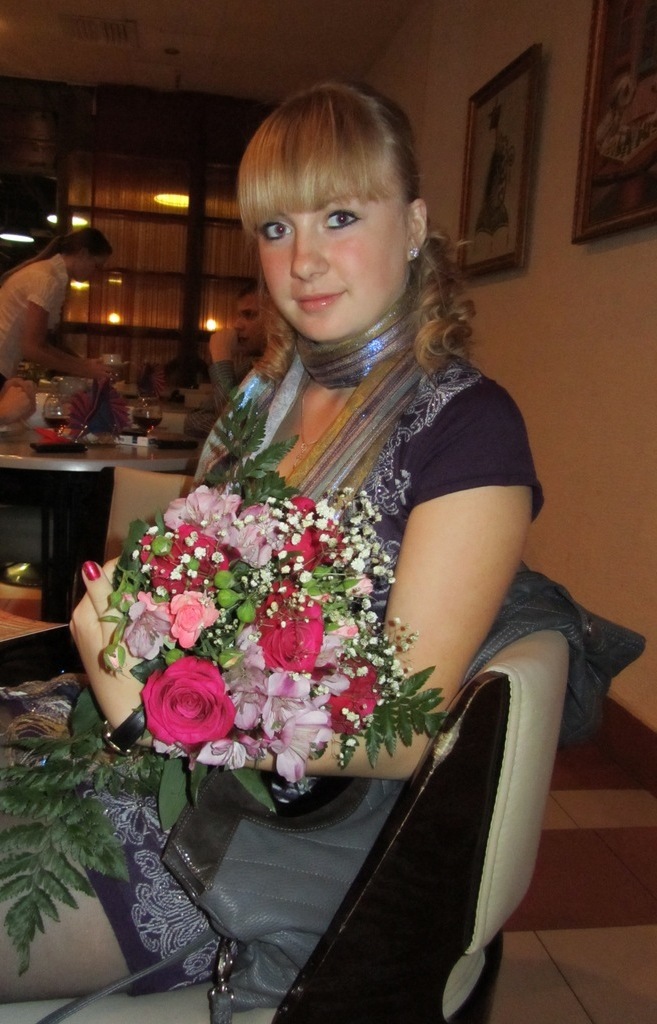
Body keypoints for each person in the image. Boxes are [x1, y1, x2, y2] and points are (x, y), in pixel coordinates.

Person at [1, 82, 542, 1003]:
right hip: (158, 755)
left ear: (414, 225)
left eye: (340, 216)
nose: (304, 261)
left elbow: (402, 735)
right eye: (277, 228)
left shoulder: (468, 426)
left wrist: (154, 716)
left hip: (287, 827)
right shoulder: (263, 398)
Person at [0, 226, 113, 386]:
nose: (95, 274)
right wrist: (84, 368)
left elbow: (42, 343)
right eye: (96, 266)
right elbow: (33, 348)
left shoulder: (47, 272)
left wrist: (84, 364)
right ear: (83, 254)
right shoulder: (47, 279)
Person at [183, 280, 266, 438]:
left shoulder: (283, 371)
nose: (237, 325)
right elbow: (193, 421)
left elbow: (235, 430)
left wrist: (221, 358)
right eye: (238, 316)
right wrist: (224, 429)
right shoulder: (250, 366)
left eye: (249, 315)